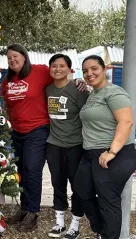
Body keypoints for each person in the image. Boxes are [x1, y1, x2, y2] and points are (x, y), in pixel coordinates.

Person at [1, 44, 86, 232]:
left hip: (37, 130)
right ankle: (24, 210)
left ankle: (32, 213)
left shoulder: (39, 71)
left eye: (16, 56)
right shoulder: (7, 81)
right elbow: (7, 105)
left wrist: (78, 80)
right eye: (9, 58)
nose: (13, 60)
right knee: (21, 171)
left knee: (32, 170)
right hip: (17, 132)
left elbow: (60, 74)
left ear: (24, 57)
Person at [74, 55, 136, 239]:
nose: (89, 73)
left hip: (115, 153)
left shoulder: (114, 92)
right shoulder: (93, 93)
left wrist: (112, 151)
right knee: (81, 191)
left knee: (108, 201)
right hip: (92, 152)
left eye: (94, 68)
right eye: (85, 70)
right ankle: (102, 230)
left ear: (105, 69)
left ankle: (109, 235)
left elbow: (126, 121)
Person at [45, 54, 88, 239]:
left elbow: (87, 115)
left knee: (76, 186)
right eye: (54, 66)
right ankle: (60, 222)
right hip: (54, 144)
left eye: (62, 66)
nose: (57, 69)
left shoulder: (78, 90)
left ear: (69, 69)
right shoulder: (47, 89)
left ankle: (75, 225)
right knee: (57, 183)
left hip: (76, 145)